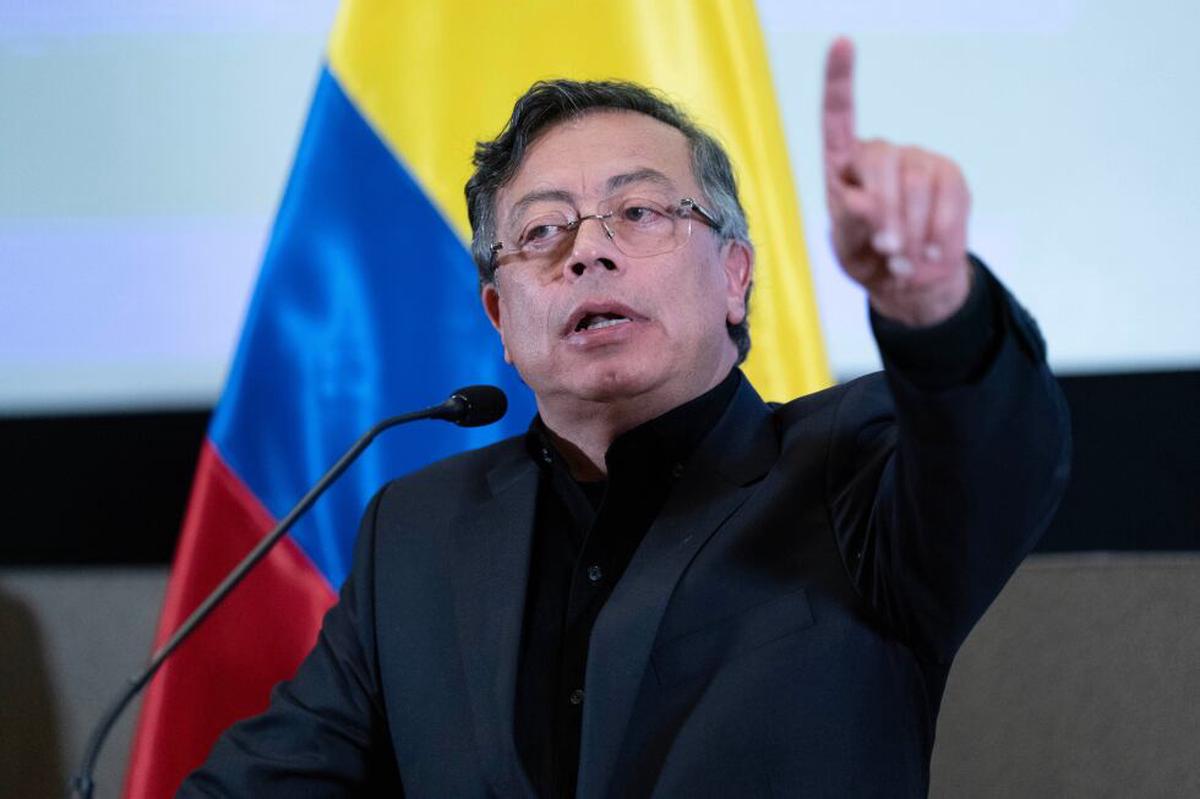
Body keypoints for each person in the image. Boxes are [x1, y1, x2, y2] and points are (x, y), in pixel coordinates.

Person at [182, 39, 1070, 797]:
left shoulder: (854, 468)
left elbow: (995, 459)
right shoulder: (415, 534)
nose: (588, 251)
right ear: (500, 318)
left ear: (734, 276)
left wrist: (936, 306)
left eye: (639, 211)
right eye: (542, 232)